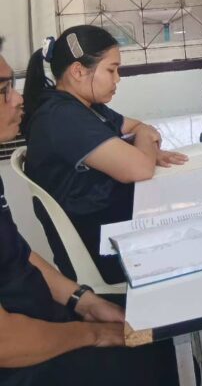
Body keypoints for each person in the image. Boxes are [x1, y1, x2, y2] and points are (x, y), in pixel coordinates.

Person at [0, 35, 178, 385]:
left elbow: (18, 253)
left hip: (44, 312)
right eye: (4, 89)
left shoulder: (80, 107)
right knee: (155, 353)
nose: (18, 99)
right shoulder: (59, 115)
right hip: (23, 357)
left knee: (159, 337)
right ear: (78, 71)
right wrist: (94, 334)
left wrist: (85, 301)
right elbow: (6, 343)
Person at [21, 27, 187, 285]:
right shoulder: (62, 117)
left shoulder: (86, 106)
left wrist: (142, 141)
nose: (118, 79)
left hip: (115, 224)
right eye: (111, 70)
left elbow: (135, 126)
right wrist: (145, 144)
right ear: (78, 71)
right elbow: (140, 167)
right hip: (103, 247)